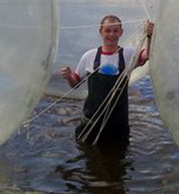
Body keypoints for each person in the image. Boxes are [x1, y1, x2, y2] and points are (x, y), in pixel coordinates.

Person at [60, 15, 154, 144]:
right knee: (89, 156)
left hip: (118, 124)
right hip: (91, 121)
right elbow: (75, 84)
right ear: (100, 32)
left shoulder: (128, 54)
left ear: (121, 33)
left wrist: (149, 36)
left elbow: (147, 55)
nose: (111, 34)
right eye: (107, 31)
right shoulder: (89, 56)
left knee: (119, 157)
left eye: (115, 31)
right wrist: (69, 77)